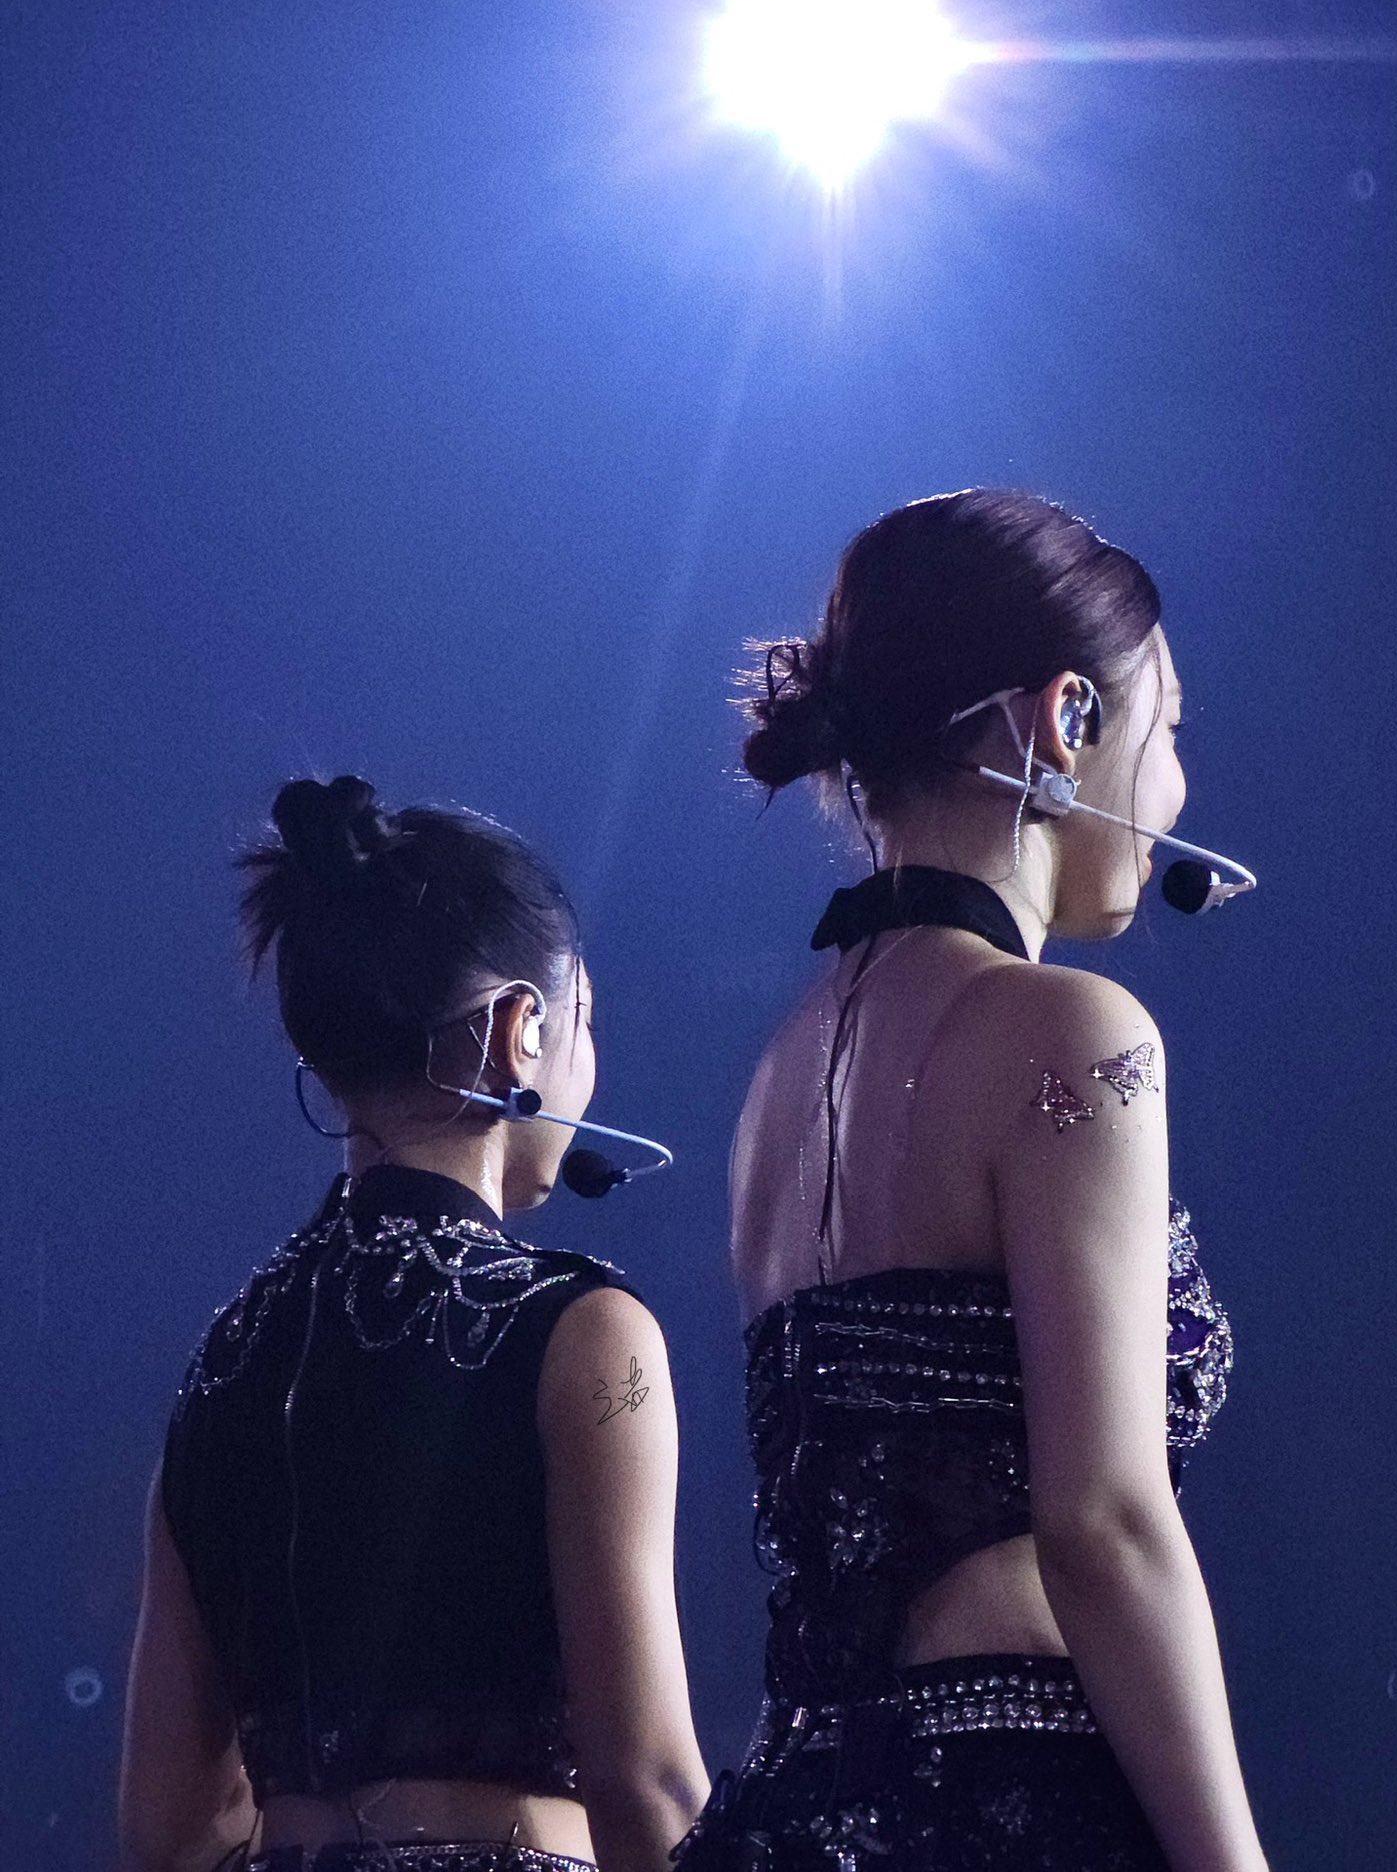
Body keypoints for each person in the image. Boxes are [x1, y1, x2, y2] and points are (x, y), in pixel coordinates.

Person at [671, 490, 1265, 1871]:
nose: (1178, 789)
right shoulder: (1077, 1035)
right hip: (1007, 1803)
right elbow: (1105, 1526)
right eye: (1170, 729)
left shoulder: (777, 1081)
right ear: (1068, 719)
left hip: (791, 1811)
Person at [120, 775, 710, 1872]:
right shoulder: (580, 1333)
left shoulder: (227, 1361)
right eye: (585, 1021)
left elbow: (168, 1830)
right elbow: (647, 1785)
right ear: (521, 1030)